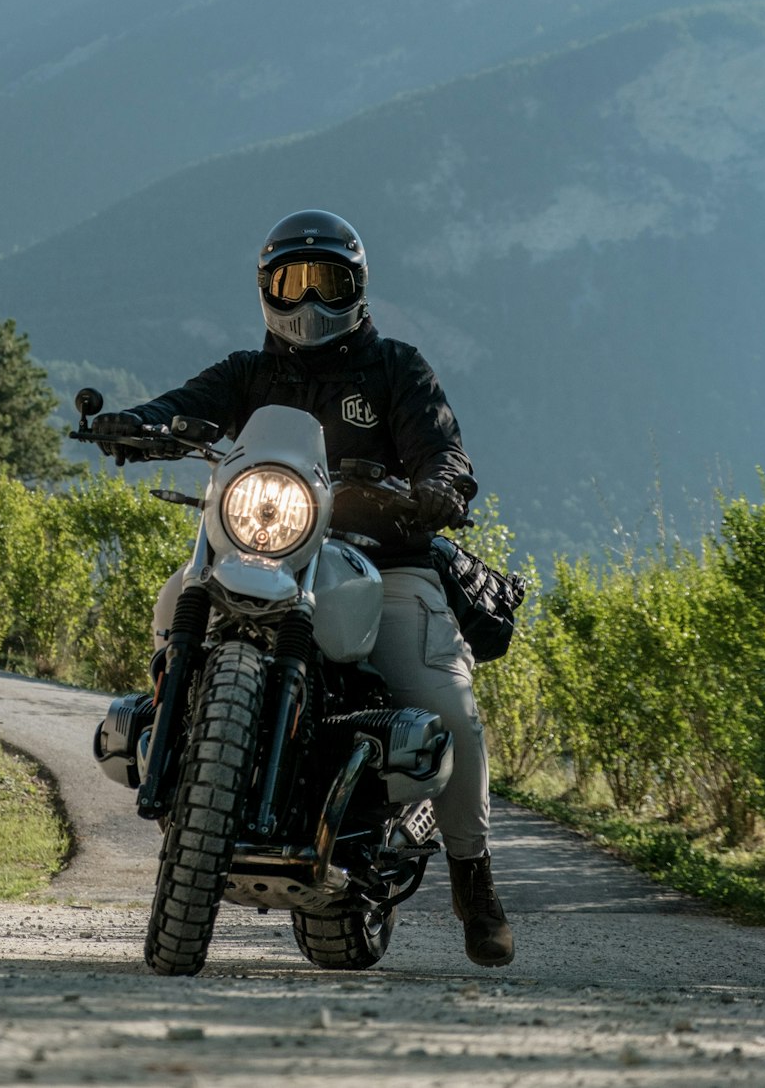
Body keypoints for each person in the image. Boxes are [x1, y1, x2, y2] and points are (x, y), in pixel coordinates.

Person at [92, 209, 514, 968]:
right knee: (173, 596)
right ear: (267, 290)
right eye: (292, 282)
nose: (309, 301)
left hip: (383, 563)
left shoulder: (396, 369)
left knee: (449, 703)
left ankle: (472, 875)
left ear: (357, 289)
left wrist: (437, 487)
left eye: (328, 281)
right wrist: (133, 424)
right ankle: (170, 734)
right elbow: (181, 408)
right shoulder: (249, 374)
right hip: (272, 552)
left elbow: (443, 449)